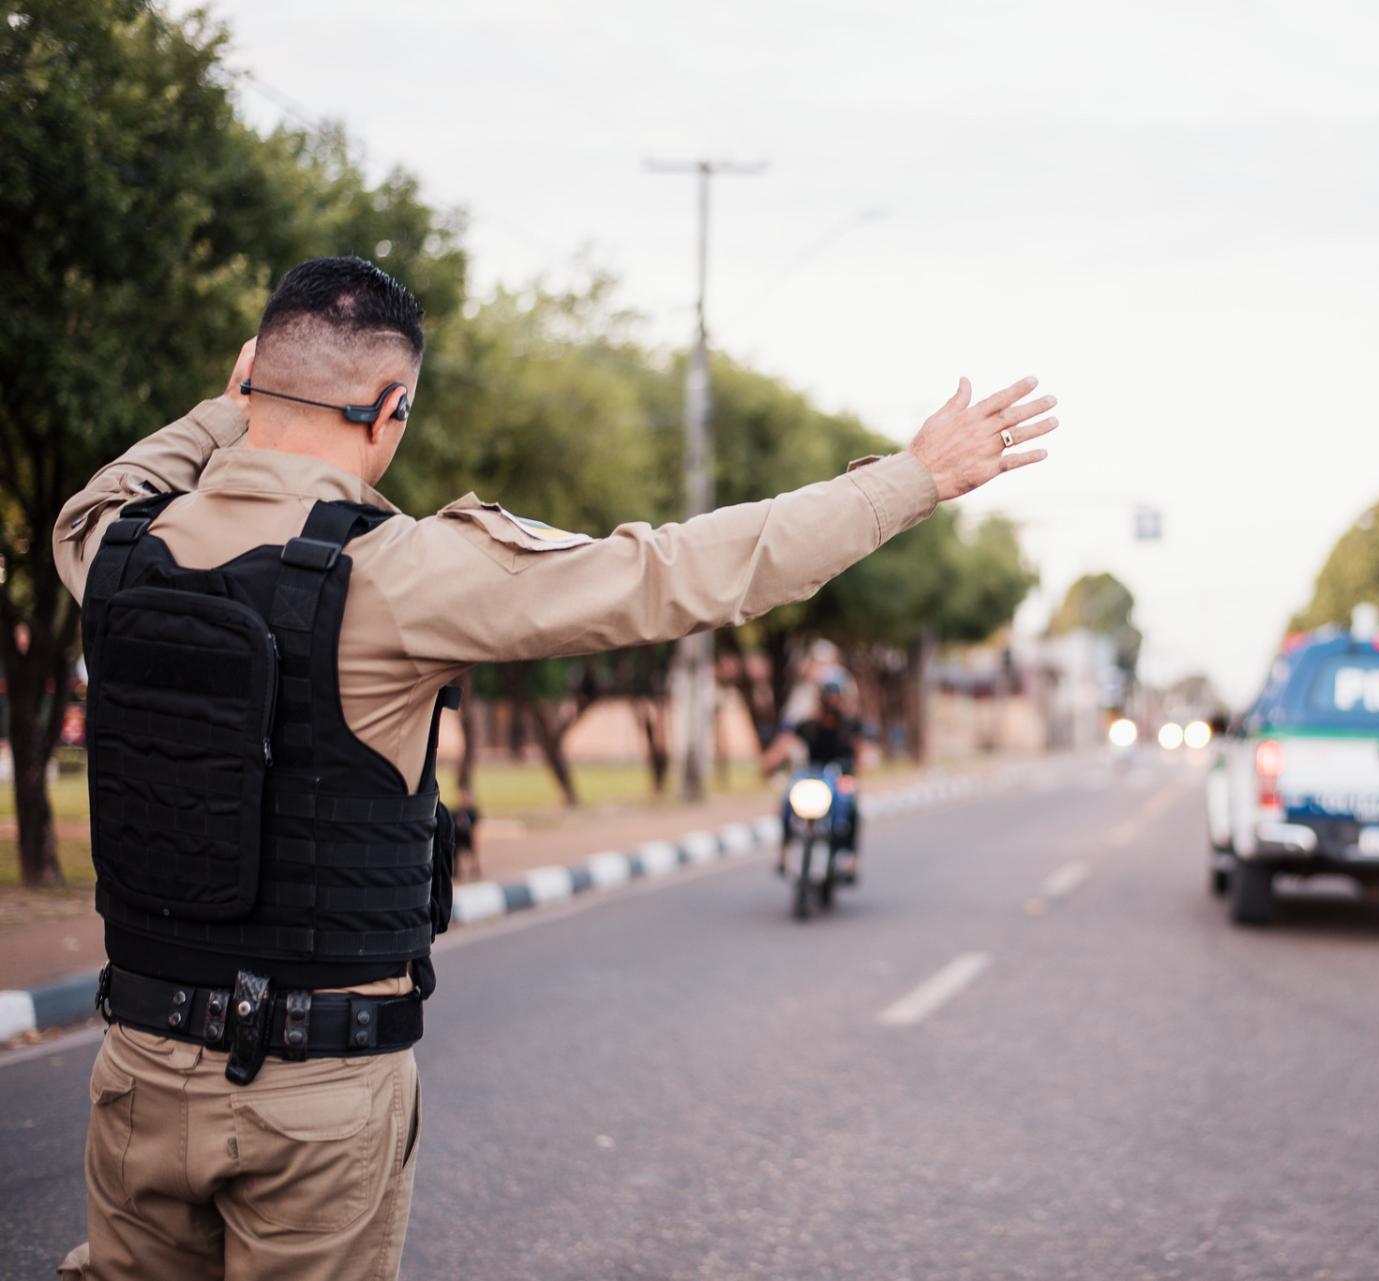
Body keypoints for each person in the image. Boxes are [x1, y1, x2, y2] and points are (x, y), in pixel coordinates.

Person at [52, 255, 1058, 1281]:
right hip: (313, 1100)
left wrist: (228, 415)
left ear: (255, 374)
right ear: (391, 407)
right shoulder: (399, 575)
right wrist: (914, 477)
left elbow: (103, 493)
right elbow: (680, 572)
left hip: (135, 1073)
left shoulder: (113, 551)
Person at [759, 674, 875, 878]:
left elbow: (863, 750)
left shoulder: (850, 725)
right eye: (828, 696)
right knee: (786, 801)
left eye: (835, 696)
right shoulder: (808, 724)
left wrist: (861, 764)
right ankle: (784, 852)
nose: (832, 700)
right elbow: (784, 744)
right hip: (812, 776)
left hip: (839, 777)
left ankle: (850, 859)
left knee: (851, 807)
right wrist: (770, 763)